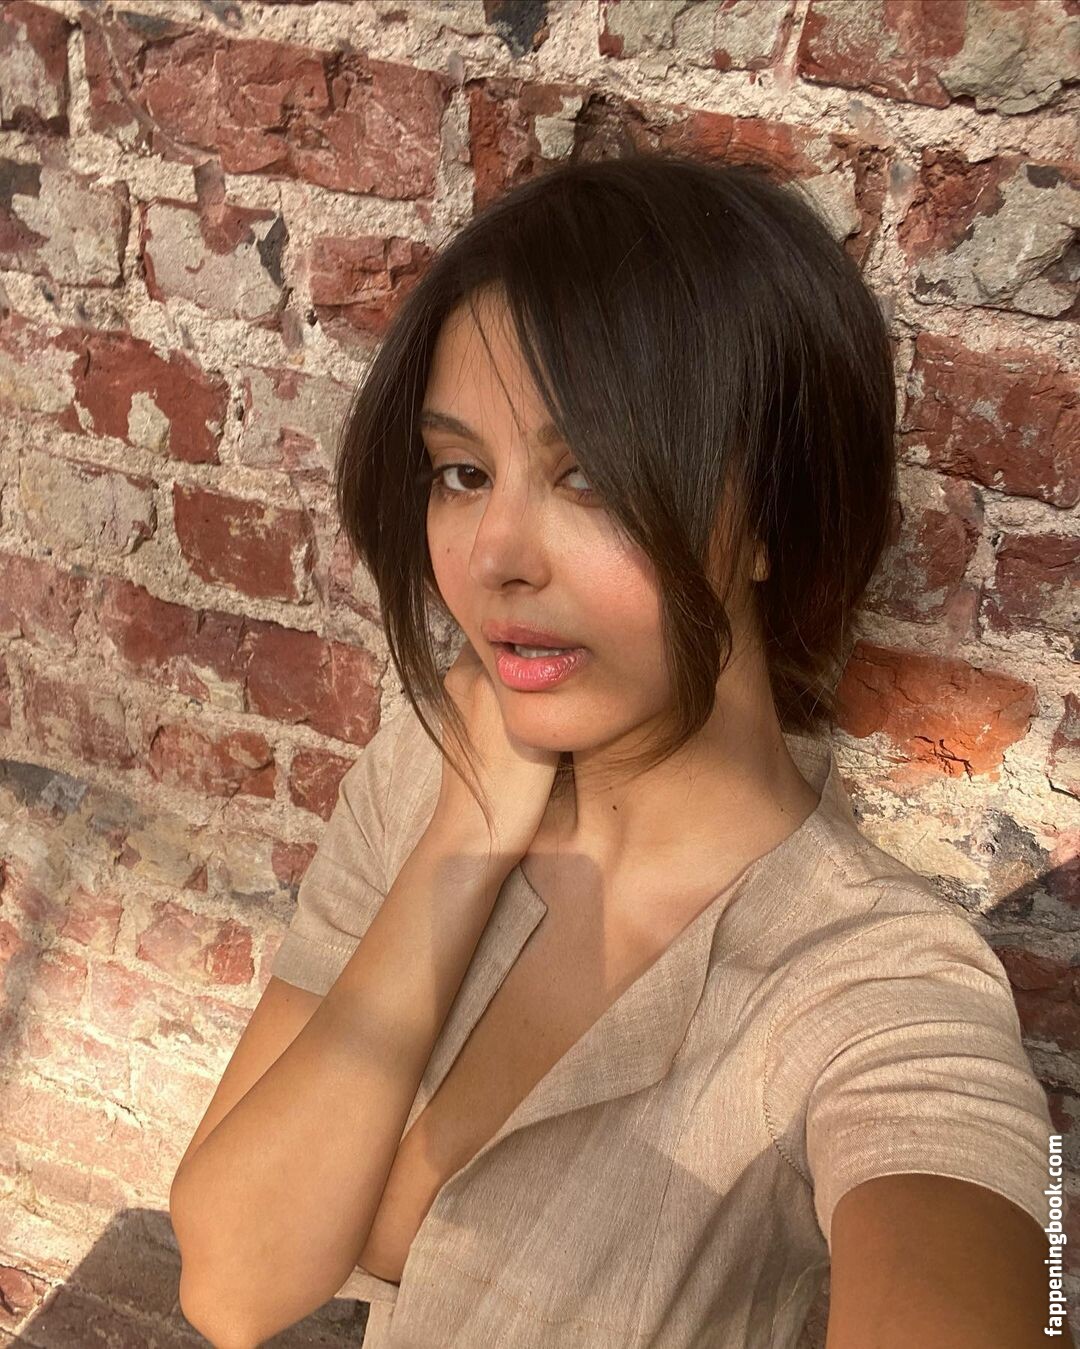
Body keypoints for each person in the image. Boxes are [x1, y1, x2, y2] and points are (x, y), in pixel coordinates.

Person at [169, 150, 1054, 1349]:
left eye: (590, 476)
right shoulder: (430, 769)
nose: (494, 554)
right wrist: (465, 840)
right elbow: (231, 1285)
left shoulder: (876, 984)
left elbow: (979, 1231)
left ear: (771, 514)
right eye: (462, 473)